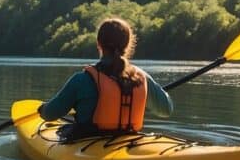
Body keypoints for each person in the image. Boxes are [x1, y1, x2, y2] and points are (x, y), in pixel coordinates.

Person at [38, 17, 172, 140]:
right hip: (128, 140)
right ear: (127, 45)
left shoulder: (82, 80)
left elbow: (50, 114)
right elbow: (167, 109)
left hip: (89, 143)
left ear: (98, 44)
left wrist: (41, 109)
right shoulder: (141, 77)